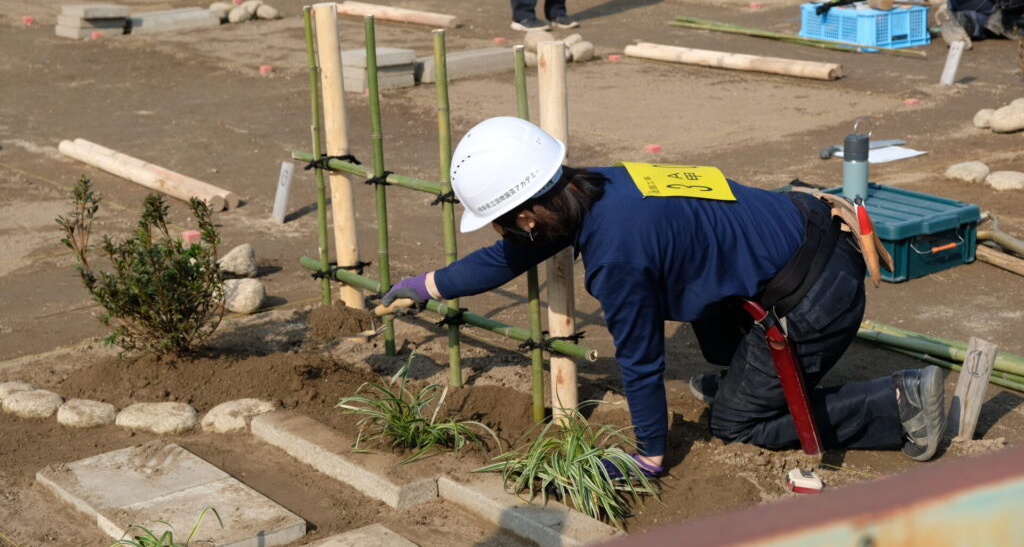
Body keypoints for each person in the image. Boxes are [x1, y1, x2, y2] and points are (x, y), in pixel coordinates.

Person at [382, 117, 947, 475]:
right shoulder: (595, 184)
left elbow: (642, 360)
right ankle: (751, 379)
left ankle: (898, 402)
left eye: (504, 223)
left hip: (820, 292)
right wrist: (430, 286)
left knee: (737, 426)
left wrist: (650, 452)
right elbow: (519, 251)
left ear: (528, 213)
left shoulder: (618, 254)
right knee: (719, 338)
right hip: (802, 235)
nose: (508, 235)